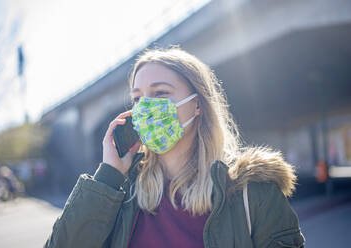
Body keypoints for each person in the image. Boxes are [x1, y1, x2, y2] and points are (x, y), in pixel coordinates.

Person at [44, 47, 305, 248]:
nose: (145, 107)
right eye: (137, 98)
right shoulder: (122, 192)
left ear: (198, 104)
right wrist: (108, 175)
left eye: (160, 93)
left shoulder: (254, 191)